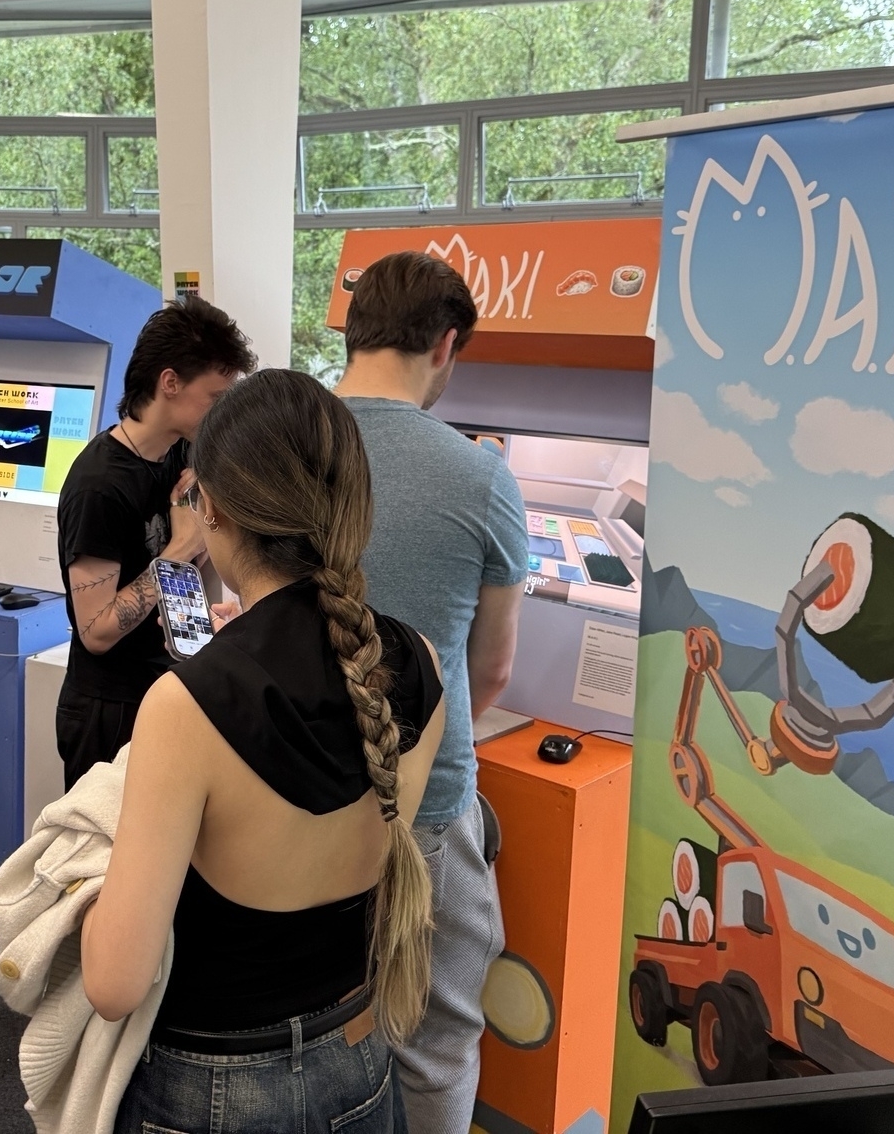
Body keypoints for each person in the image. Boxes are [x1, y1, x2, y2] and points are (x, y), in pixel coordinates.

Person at [82, 369, 446, 1133]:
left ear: (209, 507)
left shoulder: (187, 706)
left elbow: (113, 983)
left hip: (212, 1085)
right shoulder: (419, 662)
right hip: (359, 1060)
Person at [335, 251, 529, 1134]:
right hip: (425, 809)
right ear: (446, 345)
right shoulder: (481, 477)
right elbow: (490, 668)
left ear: (352, 325)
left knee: (313, 1026)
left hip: (283, 788)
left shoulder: (276, 444)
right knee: (437, 1037)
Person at [56, 297, 255, 787]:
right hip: (111, 710)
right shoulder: (99, 484)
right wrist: (178, 552)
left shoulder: (186, 454)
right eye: (214, 397)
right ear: (170, 383)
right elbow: (97, 631)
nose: (220, 412)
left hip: (172, 687)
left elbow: (200, 573)